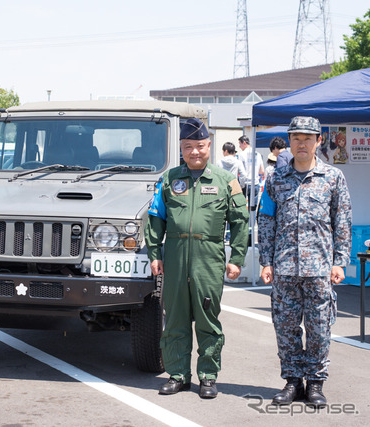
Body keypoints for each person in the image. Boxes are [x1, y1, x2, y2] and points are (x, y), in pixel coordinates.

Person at [145, 118, 249, 399]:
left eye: (200, 146)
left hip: (209, 259)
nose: (194, 152)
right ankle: (178, 374)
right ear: (181, 147)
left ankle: (208, 376)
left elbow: (241, 221)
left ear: (209, 145)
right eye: (188, 146)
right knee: (175, 318)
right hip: (176, 258)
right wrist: (154, 252)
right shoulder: (169, 179)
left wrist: (237, 257)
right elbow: (155, 218)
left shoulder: (226, 181)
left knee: (207, 320)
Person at [259, 116, 352, 407]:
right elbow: (266, 219)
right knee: (285, 327)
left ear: (319, 141)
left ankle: (314, 383)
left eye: (308, 138)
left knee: (319, 327)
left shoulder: (333, 178)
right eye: (296, 138)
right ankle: (291, 382)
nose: (302, 143)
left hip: (320, 268)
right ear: (289, 141)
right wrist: (266, 260)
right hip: (285, 267)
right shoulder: (275, 178)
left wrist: (340, 261)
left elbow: (343, 221)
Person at [236, 135, 264, 210]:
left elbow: (240, 170)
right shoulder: (257, 154)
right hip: (255, 183)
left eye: (240, 144)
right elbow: (262, 170)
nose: (239, 146)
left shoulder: (241, 154)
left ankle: (244, 221)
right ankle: (252, 221)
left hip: (245, 183)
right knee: (253, 208)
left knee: (242, 206)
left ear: (244, 143)